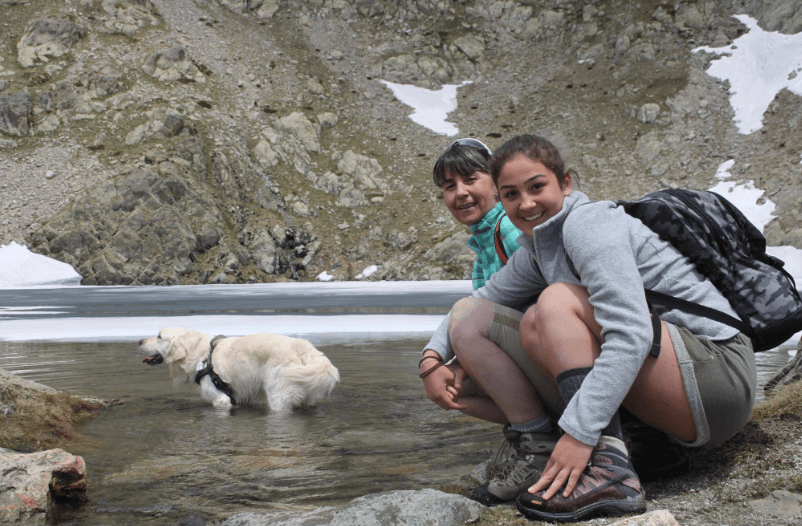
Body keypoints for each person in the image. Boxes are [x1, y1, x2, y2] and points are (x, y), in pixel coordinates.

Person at [445, 134, 756, 522]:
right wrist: (435, 358)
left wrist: (579, 435)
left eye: (537, 187)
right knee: (493, 318)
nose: (525, 203)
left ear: (567, 183)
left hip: (717, 378)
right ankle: (647, 448)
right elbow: (479, 305)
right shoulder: (540, 247)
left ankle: (608, 469)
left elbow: (631, 334)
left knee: (555, 305)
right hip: (676, 385)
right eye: (510, 194)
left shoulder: (589, 224)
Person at [419, 137, 565, 506]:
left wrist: (456, 358)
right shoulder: (487, 242)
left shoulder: (511, 232)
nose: (461, 193)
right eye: (449, 186)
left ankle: (539, 443)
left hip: (557, 354)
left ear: (496, 183)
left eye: (470, 179)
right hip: (540, 353)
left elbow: (488, 314)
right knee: (450, 386)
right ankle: (531, 434)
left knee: (456, 369)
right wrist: (439, 360)